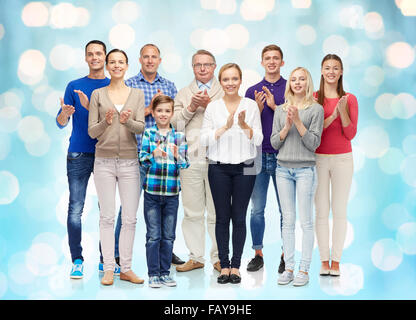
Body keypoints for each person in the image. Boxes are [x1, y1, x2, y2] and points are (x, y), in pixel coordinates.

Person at [201, 63, 263, 284]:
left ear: (240, 80)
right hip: (218, 167)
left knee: (239, 217)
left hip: (245, 166)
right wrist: (226, 127)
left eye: (234, 79)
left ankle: (236, 266)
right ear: (221, 81)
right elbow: (204, 139)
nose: (230, 83)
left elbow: (258, 139)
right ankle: (224, 265)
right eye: (226, 79)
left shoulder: (251, 105)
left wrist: (244, 125)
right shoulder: (213, 107)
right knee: (221, 218)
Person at [56, 40, 113, 279]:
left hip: (106, 153)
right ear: (85, 58)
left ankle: (105, 259)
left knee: (106, 210)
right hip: (78, 153)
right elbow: (60, 123)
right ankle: (77, 260)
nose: (94, 57)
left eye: (98, 53)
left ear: (105, 57)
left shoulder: (114, 84)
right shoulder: (74, 85)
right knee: (76, 208)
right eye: (90, 54)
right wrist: (64, 114)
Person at [88, 49, 145, 286]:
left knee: (130, 218)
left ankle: (127, 268)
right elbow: (92, 131)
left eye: (121, 62)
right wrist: (106, 122)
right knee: (107, 217)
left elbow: (140, 127)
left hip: (131, 162)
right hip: (103, 162)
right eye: (112, 62)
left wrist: (126, 121)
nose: (116, 65)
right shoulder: (98, 94)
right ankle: (109, 268)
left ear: (127, 65)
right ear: (108, 66)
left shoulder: (137, 94)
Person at [125, 43, 184, 266]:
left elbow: (175, 120)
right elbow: (125, 119)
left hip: (166, 162)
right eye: (146, 57)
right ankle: (120, 255)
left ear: (160, 60)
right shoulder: (129, 85)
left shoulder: (169, 86)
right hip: (138, 156)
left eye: (154, 57)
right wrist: (149, 108)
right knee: (129, 209)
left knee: (166, 210)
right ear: (139, 60)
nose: (150, 60)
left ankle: (165, 253)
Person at [171, 49, 223, 273]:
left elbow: (230, 121)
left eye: (207, 64)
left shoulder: (224, 91)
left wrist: (210, 104)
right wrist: (192, 107)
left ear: (214, 67)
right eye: (198, 65)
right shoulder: (183, 93)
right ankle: (196, 257)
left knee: (217, 212)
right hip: (191, 160)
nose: (203, 68)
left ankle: (219, 257)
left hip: (219, 159)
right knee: (192, 212)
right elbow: (174, 124)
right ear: (193, 68)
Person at [270, 67, 324, 287]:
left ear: (308, 82)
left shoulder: (316, 109)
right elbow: (274, 143)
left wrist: (299, 122)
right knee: (288, 221)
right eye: (294, 79)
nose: (297, 82)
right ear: (289, 83)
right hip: (283, 170)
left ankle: (304, 269)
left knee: (306, 221)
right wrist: (287, 126)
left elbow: (313, 144)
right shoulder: (281, 110)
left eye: (302, 79)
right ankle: (289, 267)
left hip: (305, 171)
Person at [314, 54, 358, 277]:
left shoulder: (349, 99)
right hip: (319, 159)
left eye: (336, 68)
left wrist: (343, 113)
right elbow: (313, 134)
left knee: (339, 210)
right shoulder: (313, 98)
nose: (331, 71)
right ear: (321, 71)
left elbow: (350, 134)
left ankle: (336, 261)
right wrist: (332, 116)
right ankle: (323, 260)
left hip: (343, 159)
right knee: (321, 210)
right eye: (327, 67)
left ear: (341, 72)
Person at [139, 95, 189, 288]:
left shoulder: (179, 136)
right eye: (159, 111)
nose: (163, 114)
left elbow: (185, 164)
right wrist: (153, 154)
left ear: (172, 113)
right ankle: (153, 273)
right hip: (152, 192)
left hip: (171, 194)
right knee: (153, 235)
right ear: (153, 113)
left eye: (167, 111)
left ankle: (165, 272)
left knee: (168, 235)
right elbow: (142, 159)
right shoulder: (149, 134)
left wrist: (177, 155)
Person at [245, 44, 286, 273]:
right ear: (262, 62)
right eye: (267, 58)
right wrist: (257, 110)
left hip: (283, 156)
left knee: (285, 210)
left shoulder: (291, 88)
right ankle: (258, 253)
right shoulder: (251, 91)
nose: (271, 61)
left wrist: (274, 106)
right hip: (256, 156)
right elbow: (245, 128)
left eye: (276, 58)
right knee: (256, 209)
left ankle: (284, 253)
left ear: (282, 62)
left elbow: (293, 121)